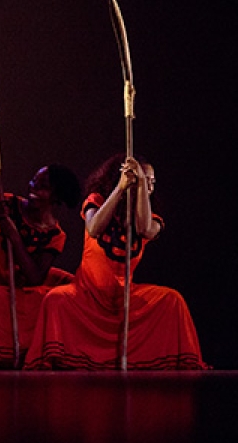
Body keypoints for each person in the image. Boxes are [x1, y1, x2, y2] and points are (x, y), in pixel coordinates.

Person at [24, 154, 208, 370]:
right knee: (55, 300)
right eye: (144, 179)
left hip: (124, 297)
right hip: (88, 294)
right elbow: (93, 228)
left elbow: (143, 229)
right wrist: (121, 188)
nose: (149, 186)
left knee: (172, 300)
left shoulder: (152, 219)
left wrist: (138, 187)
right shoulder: (96, 201)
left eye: (151, 182)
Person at [0, 164, 81, 367]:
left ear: (56, 197)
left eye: (42, 186)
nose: (32, 188)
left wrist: (14, 235)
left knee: (53, 298)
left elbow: (35, 277)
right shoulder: (8, 204)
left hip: (16, 284)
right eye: (33, 182)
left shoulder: (54, 235)